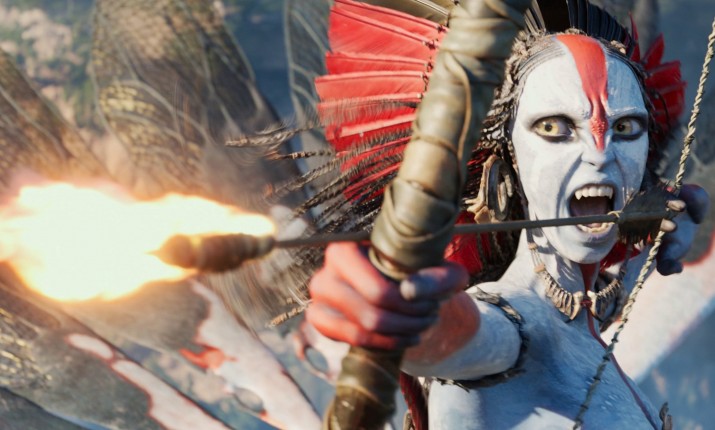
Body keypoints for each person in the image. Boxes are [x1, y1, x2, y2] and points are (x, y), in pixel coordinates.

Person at [304, 1, 710, 428]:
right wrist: (402, 311)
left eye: (625, 128)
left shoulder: (580, 315)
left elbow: (595, 294)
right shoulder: (511, 325)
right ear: (509, 157)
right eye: (553, 127)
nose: (599, 154)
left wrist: (661, 218)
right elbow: (462, 336)